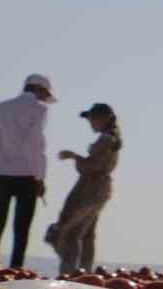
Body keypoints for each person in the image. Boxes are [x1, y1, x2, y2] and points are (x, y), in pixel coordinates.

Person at [45, 102, 122, 275]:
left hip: (91, 190)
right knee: (87, 233)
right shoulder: (110, 138)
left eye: (92, 119)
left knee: (72, 231)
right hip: (97, 189)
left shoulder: (106, 139)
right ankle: (84, 273)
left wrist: (74, 156)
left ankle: (69, 273)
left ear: (102, 119)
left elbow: (93, 166)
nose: (91, 123)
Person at [0, 74, 54, 268]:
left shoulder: (1, 107)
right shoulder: (40, 110)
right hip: (27, 175)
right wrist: (40, 178)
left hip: (0, 173)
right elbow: (35, 145)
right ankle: (15, 270)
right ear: (39, 89)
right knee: (21, 229)